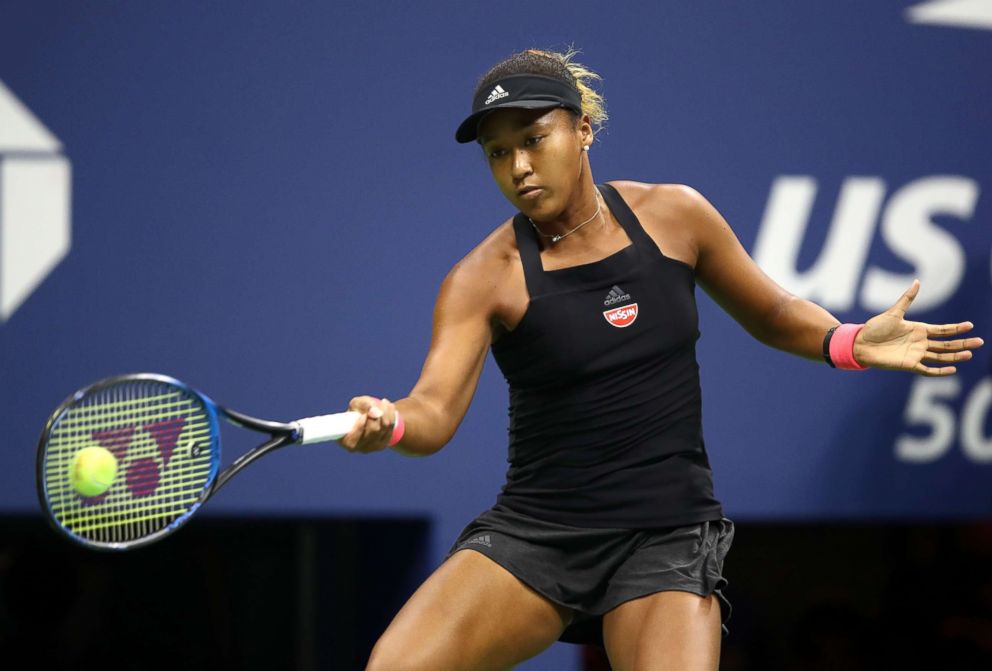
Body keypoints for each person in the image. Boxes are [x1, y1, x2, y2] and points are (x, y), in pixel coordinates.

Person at [339, 49, 984, 671]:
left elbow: (776, 314)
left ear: (583, 130)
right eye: (498, 153)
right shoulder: (484, 278)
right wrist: (392, 422)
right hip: (538, 534)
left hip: (666, 535)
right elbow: (434, 410)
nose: (518, 167)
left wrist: (848, 343)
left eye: (534, 139)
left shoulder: (675, 216)